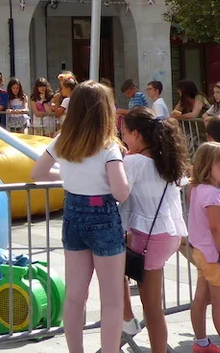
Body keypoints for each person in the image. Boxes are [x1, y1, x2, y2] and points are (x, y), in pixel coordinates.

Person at [30, 81, 129, 353]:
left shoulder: (63, 139)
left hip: (73, 213)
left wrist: (68, 177)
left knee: (75, 296)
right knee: (112, 300)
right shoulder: (108, 147)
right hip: (103, 216)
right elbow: (121, 192)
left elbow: (37, 173)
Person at [119, 107, 190, 353]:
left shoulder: (134, 161)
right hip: (166, 233)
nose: (123, 139)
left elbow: (119, 193)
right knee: (151, 302)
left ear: (136, 134)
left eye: (124, 133)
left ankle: (127, 319)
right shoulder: (164, 159)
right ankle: (127, 320)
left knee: (151, 306)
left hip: (150, 236)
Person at [186, 142, 220, 353]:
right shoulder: (213, 195)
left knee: (201, 298)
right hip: (216, 257)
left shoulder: (197, 189)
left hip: (203, 253)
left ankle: (201, 342)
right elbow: (216, 228)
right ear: (206, 165)